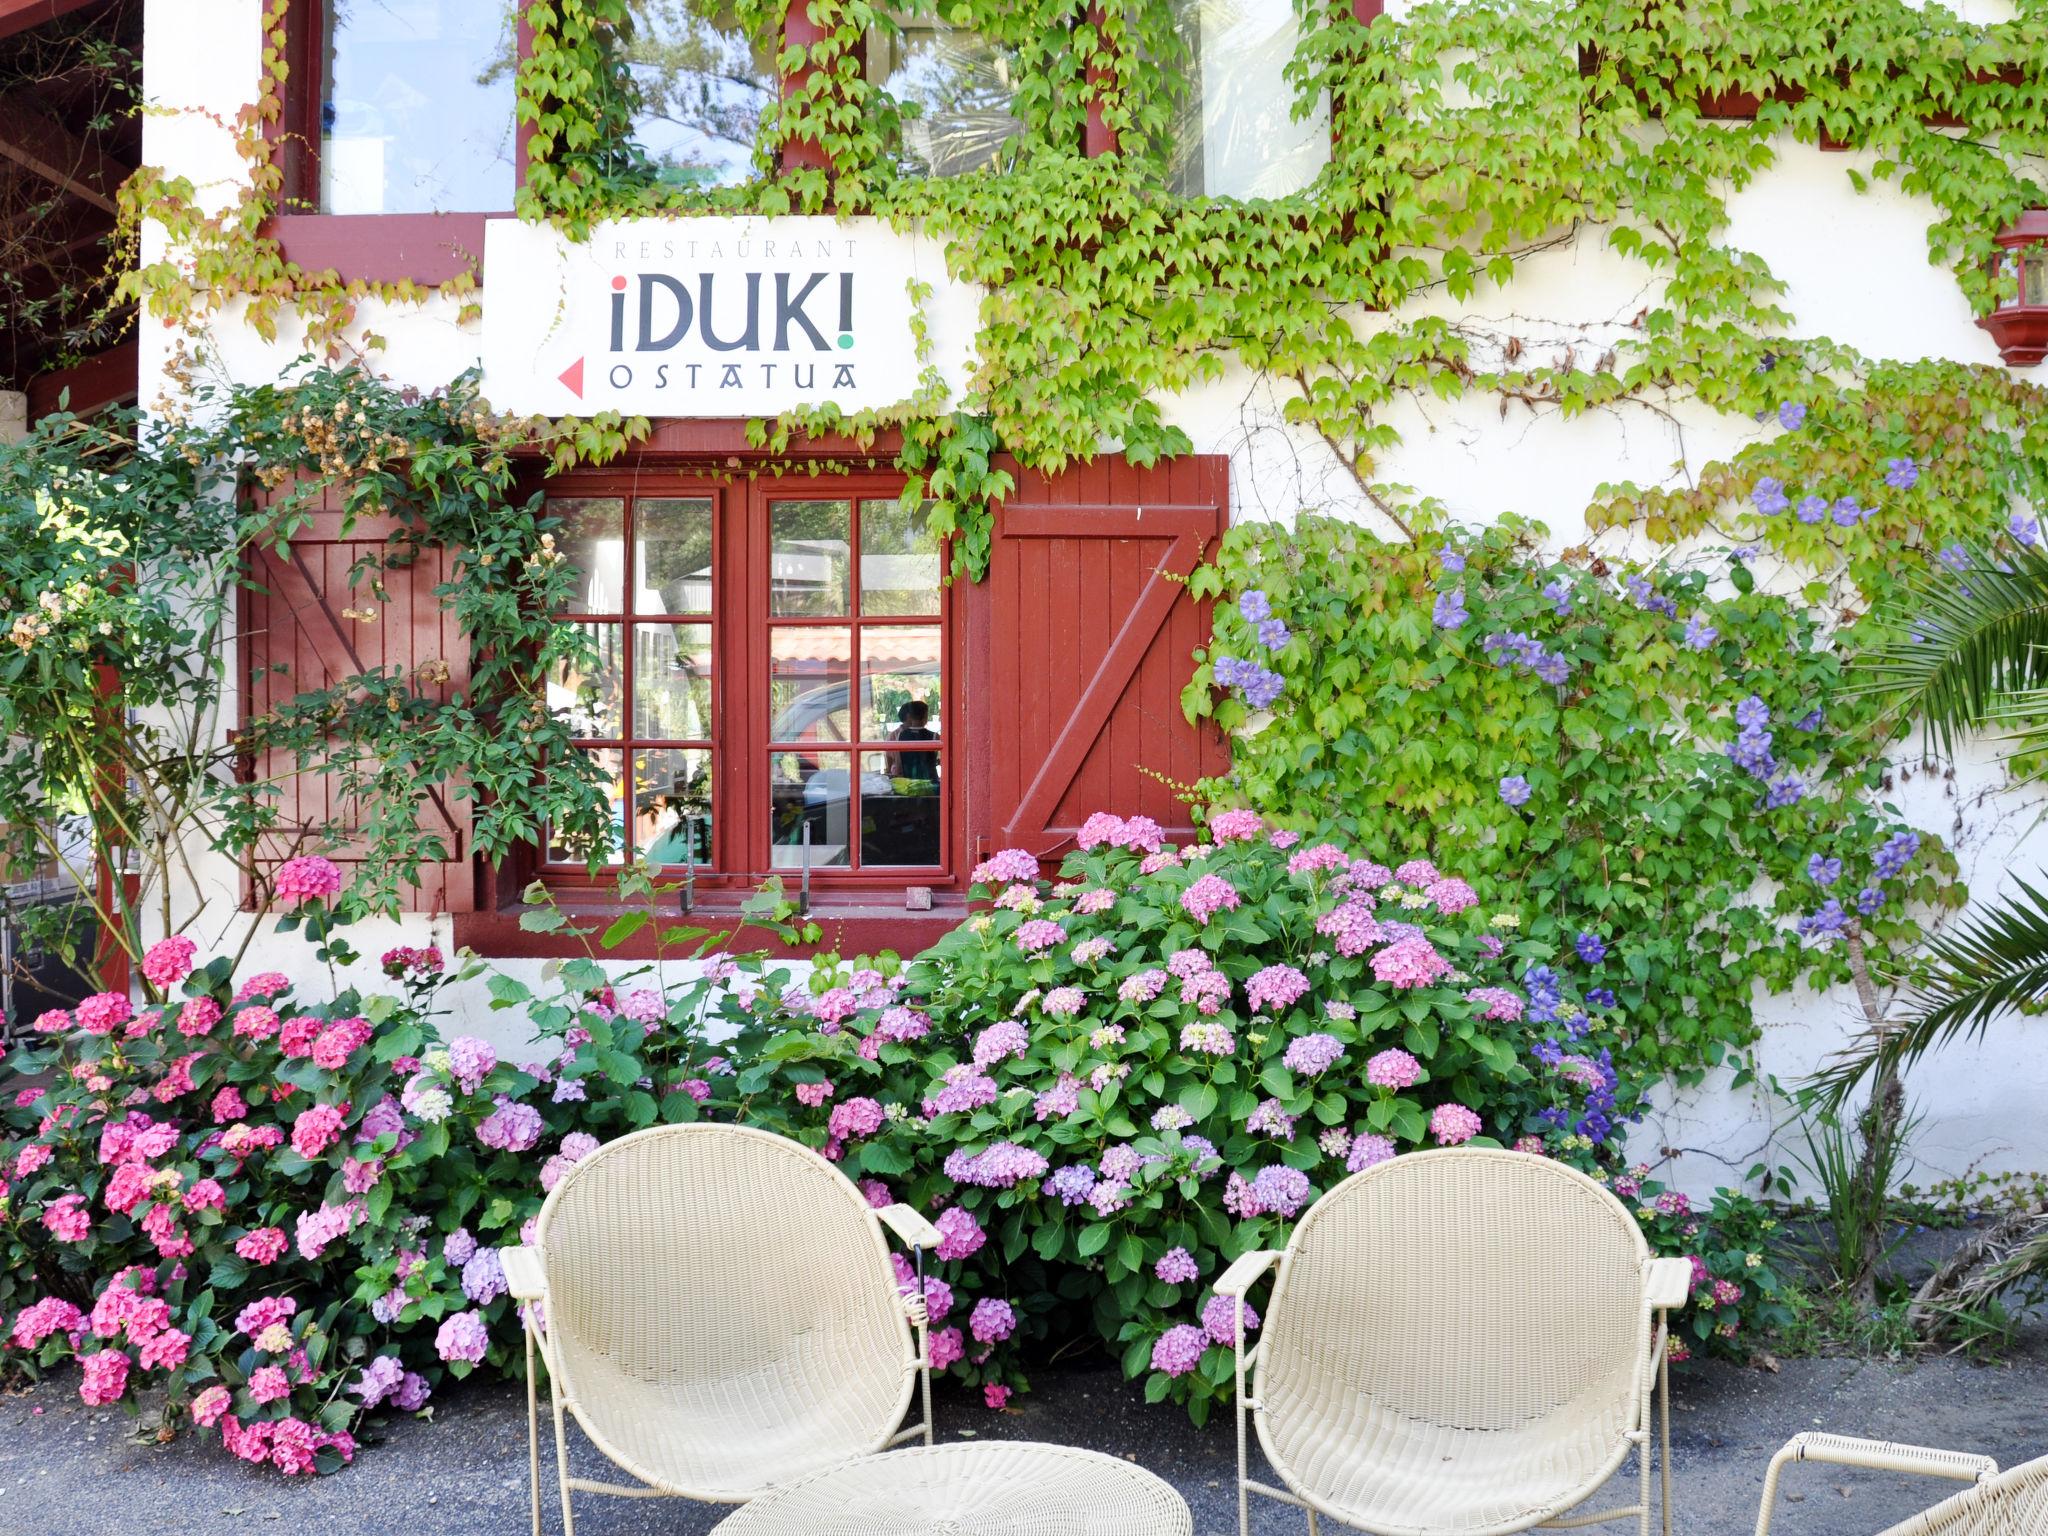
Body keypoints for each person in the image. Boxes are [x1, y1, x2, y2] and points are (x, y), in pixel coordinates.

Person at [891, 699, 939, 783]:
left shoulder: (901, 735)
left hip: (909, 784)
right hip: (930, 784)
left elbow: (898, 764)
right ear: (925, 716)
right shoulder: (935, 736)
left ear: (909, 716)